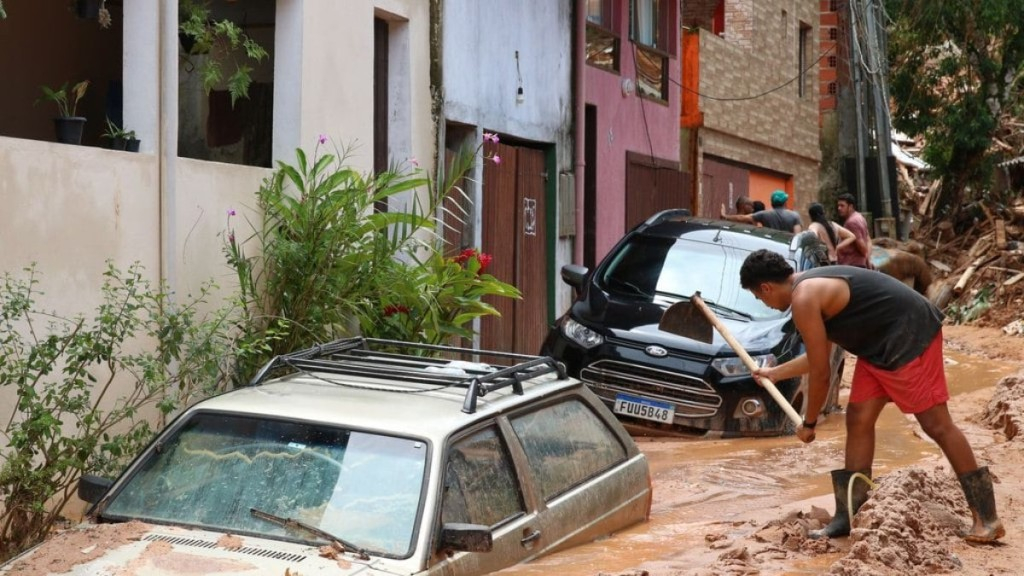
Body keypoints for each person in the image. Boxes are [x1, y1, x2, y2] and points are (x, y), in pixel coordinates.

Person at [738, 249, 1005, 543]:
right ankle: (847, 517)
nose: (765, 303)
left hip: (908, 335)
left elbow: (821, 372)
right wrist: (774, 374)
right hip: (877, 347)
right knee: (858, 418)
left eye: (759, 297)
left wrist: (809, 422)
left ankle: (987, 518)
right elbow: (817, 358)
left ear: (766, 287)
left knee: (936, 424)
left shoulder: (804, 298)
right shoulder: (809, 289)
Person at [721, 190, 802, 233]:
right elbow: (797, 236)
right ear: (785, 202)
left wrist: (725, 216)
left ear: (772, 203)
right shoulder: (795, 216)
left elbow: (742, 218)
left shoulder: (764, 214)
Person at [836, 193, 871, 268]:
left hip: (852, 264)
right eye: (838, 206)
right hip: (857, 264)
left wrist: (868, 262)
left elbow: (861, 246)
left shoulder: (851, 222)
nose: (839, 208)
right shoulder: (859, 217)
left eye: (842, 206)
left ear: (850, 206)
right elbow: (868, 239)